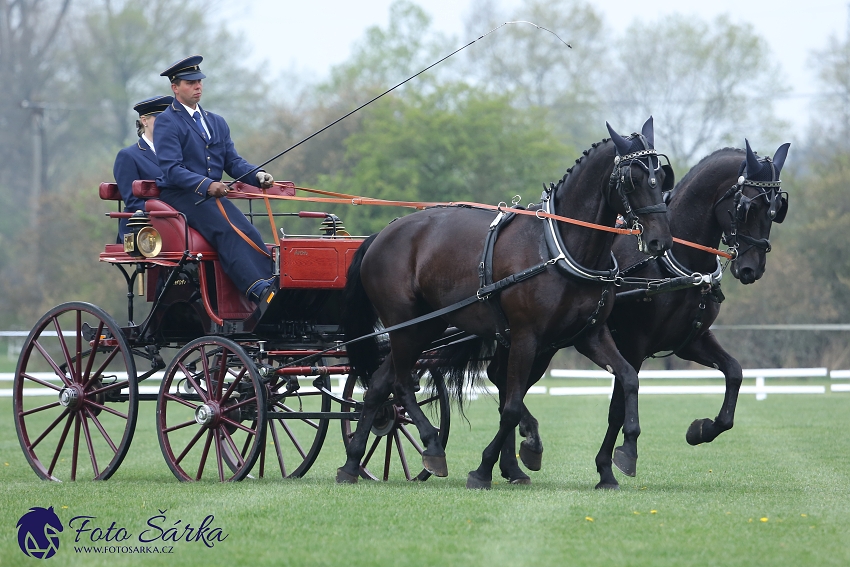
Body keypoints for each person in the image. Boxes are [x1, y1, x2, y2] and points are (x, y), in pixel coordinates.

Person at [153, 55, 277, 309]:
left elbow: (232, 161)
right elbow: (172, 169)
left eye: (199, 81)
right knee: (227, 230)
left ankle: (270, 282)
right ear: (175, 87)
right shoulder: (167, 121)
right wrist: (207, 185)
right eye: (190, 82)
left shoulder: (216, 122)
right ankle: (256, 289)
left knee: (249, 230)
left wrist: (256, 175)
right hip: (181, 195)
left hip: (211, 197)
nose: (197, 86)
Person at [113, 95, 173, 240]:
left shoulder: (179, 153)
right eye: (161, 119)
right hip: (143, 226)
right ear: (144, 121)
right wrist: (168, 213)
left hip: (178, 221)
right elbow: (133, 202)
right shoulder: (128, 156)